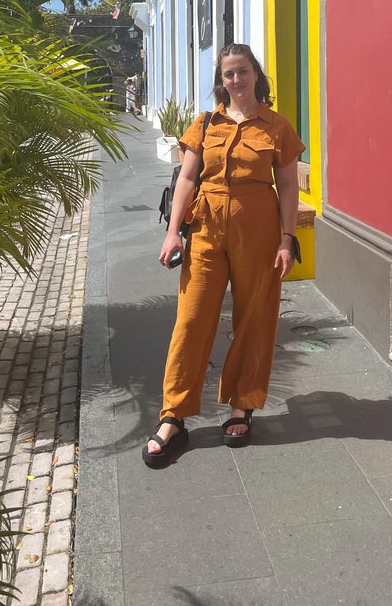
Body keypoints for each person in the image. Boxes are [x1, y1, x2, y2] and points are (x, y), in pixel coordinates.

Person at [142, 43, 304, 467]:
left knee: (255, 315)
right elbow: (187, 178)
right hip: (207, 228)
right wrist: (173, 232)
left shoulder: (276, 127)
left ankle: (242, 404)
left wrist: (287, 239)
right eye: (229, 74)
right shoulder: (205, 123)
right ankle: (173, 416)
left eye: (243, 71)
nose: (236, 80)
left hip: (259, 229)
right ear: (221, 80)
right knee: (191, 318)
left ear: (256, 75)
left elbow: (287, 186)